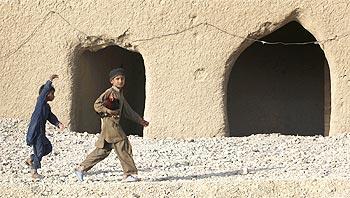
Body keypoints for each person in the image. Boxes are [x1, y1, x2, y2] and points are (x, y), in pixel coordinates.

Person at [75, 67, 149, 182]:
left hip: (110, 126)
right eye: (117, 79)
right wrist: (109, 111)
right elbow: (97, 105)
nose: (120, 81)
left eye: (122, 79)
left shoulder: (119, 94)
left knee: (103, 151)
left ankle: (81, 168)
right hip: (111, 124)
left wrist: (140, 120)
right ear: (112, 81)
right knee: (123, 143)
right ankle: (129, 174)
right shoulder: (110, 92)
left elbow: (127, 111)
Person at [25, 74, 64, 180]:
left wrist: (58, 123)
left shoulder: (46, 106)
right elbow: (43, 93)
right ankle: (34, 172)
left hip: (41, 132)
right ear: (46, 94)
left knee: (48, 148)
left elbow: (50, 117)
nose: (54, 96)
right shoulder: (40, 102)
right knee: (40, 151)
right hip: (36, 132)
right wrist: (50, 81)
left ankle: (32, 159)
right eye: (52, 93)